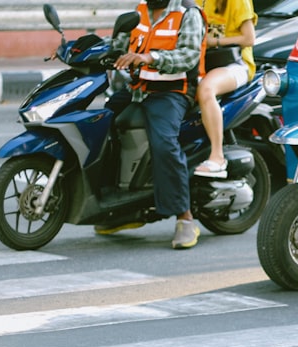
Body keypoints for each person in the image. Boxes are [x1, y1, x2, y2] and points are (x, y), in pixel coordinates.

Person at [98, 0, 205, 249]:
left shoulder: (188, 12)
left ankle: (185, 218)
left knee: (164, 143)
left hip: (172, 91)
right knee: (101, 126)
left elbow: (188, 55)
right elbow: (120, 44)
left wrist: (149, 57)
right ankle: (119, 207)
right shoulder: (140, 11)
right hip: (138, 88)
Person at [193, 0, 257, 177]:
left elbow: (249, 38)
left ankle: (217, 157)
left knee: (206, 89)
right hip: (200, 64)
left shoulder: (237, 2)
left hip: (235, 63)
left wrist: (213, 42)